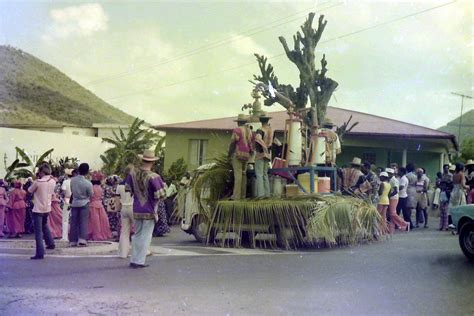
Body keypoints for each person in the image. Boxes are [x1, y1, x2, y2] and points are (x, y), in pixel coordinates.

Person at [126, 149, 167, 268]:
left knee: (137, 234)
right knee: (146, 236)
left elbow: (128, 189)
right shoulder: (154, 177)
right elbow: (161, 195)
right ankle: (139, 260)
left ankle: (134, 259)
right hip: (149, 209)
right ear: (152, 163)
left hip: (137, 208)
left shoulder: (132, 174)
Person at [28, 163, 56, 260]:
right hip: (47, 208)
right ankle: (50, 243)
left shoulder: (38, 182)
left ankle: (40, 252)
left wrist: (36, 179)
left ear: (41, 172)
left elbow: (29, 190)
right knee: (44, 225)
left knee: (38, 232)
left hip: (38, 208)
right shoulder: (53, 181)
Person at [229, 114, 252, 200]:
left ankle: (236, 196)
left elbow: (232, 142)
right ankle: (243, 195)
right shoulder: (249, 131)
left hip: (238, 154)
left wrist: (229, 153)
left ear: (238, 122)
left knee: (238, 175)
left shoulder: (237, 130)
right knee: (243, 175)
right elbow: (250, 143)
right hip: (246, 155)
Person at [70, 163, 93, 247]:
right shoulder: (88, 183)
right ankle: (82, 239)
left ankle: (73, 240)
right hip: (84, 202)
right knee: (83, 222)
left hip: (75, 202)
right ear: (87, 172)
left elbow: (72, 190)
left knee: (74, 222)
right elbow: (91, 194)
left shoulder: (72, 180)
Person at [88, 171, 112, 241]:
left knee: (94, 221)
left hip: (92, 205)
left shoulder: (91, 187)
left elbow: (90, 196)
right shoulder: (100, 188)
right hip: (100, 204)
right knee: (102, 221)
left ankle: (95, 234)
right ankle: (102, 233)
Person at [117, 165, 134, 258]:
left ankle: (123, 253)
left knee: (124, 231)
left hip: (124, 208)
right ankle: (143, 250)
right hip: (133, 207)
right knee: (139, 231)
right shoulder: (134, 183)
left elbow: (117, 199)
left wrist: (117, 209)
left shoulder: (119, 185)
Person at [386, 168, 408, 232]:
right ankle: (392, 227)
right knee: (390, 213)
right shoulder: (390, 180)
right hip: (392, 197)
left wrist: (389, 195)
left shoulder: (394, 180)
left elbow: (396, 191)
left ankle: (404, 223)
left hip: (394, 197)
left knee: (393, 213)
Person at [255, 128, 271, 198]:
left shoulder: (260, 130)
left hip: (260, 154)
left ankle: (261, 195)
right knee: (265, 174)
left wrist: (264, 147)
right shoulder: (270, 131)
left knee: (259, 174)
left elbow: (258, 138)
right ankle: (267, 194)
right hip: (268, 155)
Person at [60, 168, 73, 241]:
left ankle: (65, 237)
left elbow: (63, 191)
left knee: (65, 219)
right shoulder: (75, 181)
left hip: (67, 199)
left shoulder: (65, 182)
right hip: (74, 200)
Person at [405, 163, 417, 229]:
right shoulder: (415, 176)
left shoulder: (406, 176)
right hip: (413, 191)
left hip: (408, 190)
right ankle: (409, 223)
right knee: (410, 208)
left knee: (407, 208)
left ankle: (408, 223)